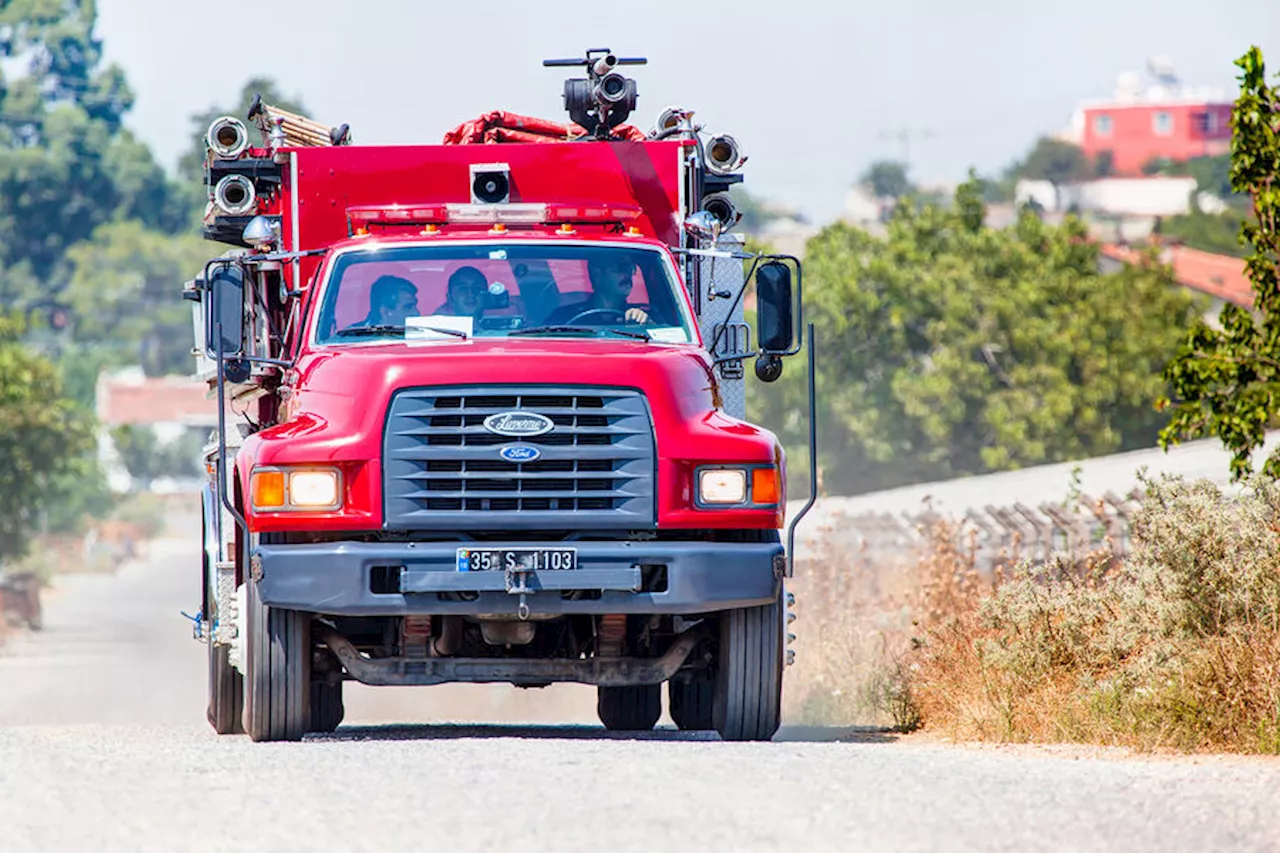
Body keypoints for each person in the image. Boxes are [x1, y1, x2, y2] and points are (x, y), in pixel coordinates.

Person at [545, 255, 649, 325]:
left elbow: (660, 344)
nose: (628, 275)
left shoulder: (643, 316)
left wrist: (647, 324)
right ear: (597, 274)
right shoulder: (563, 316)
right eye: (621, 268)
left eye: (631, 269)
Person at [353, 274, 419, 328]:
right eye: (408, 307)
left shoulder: (422, 335)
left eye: (415, 306)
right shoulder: (352, 338)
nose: (416, 313)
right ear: (385, 312)